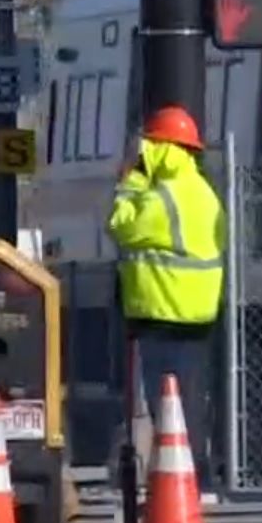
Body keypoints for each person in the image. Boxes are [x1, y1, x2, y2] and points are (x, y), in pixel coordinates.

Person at [109, 104, 225, 491]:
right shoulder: (204, 194)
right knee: (190, 401)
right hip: (197, 314)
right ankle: (194, 475)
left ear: (159, 149)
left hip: (160, 309)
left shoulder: (160, 198)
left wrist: (131, 184)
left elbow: (121, 227)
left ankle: (171, 481)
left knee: (161, 403)